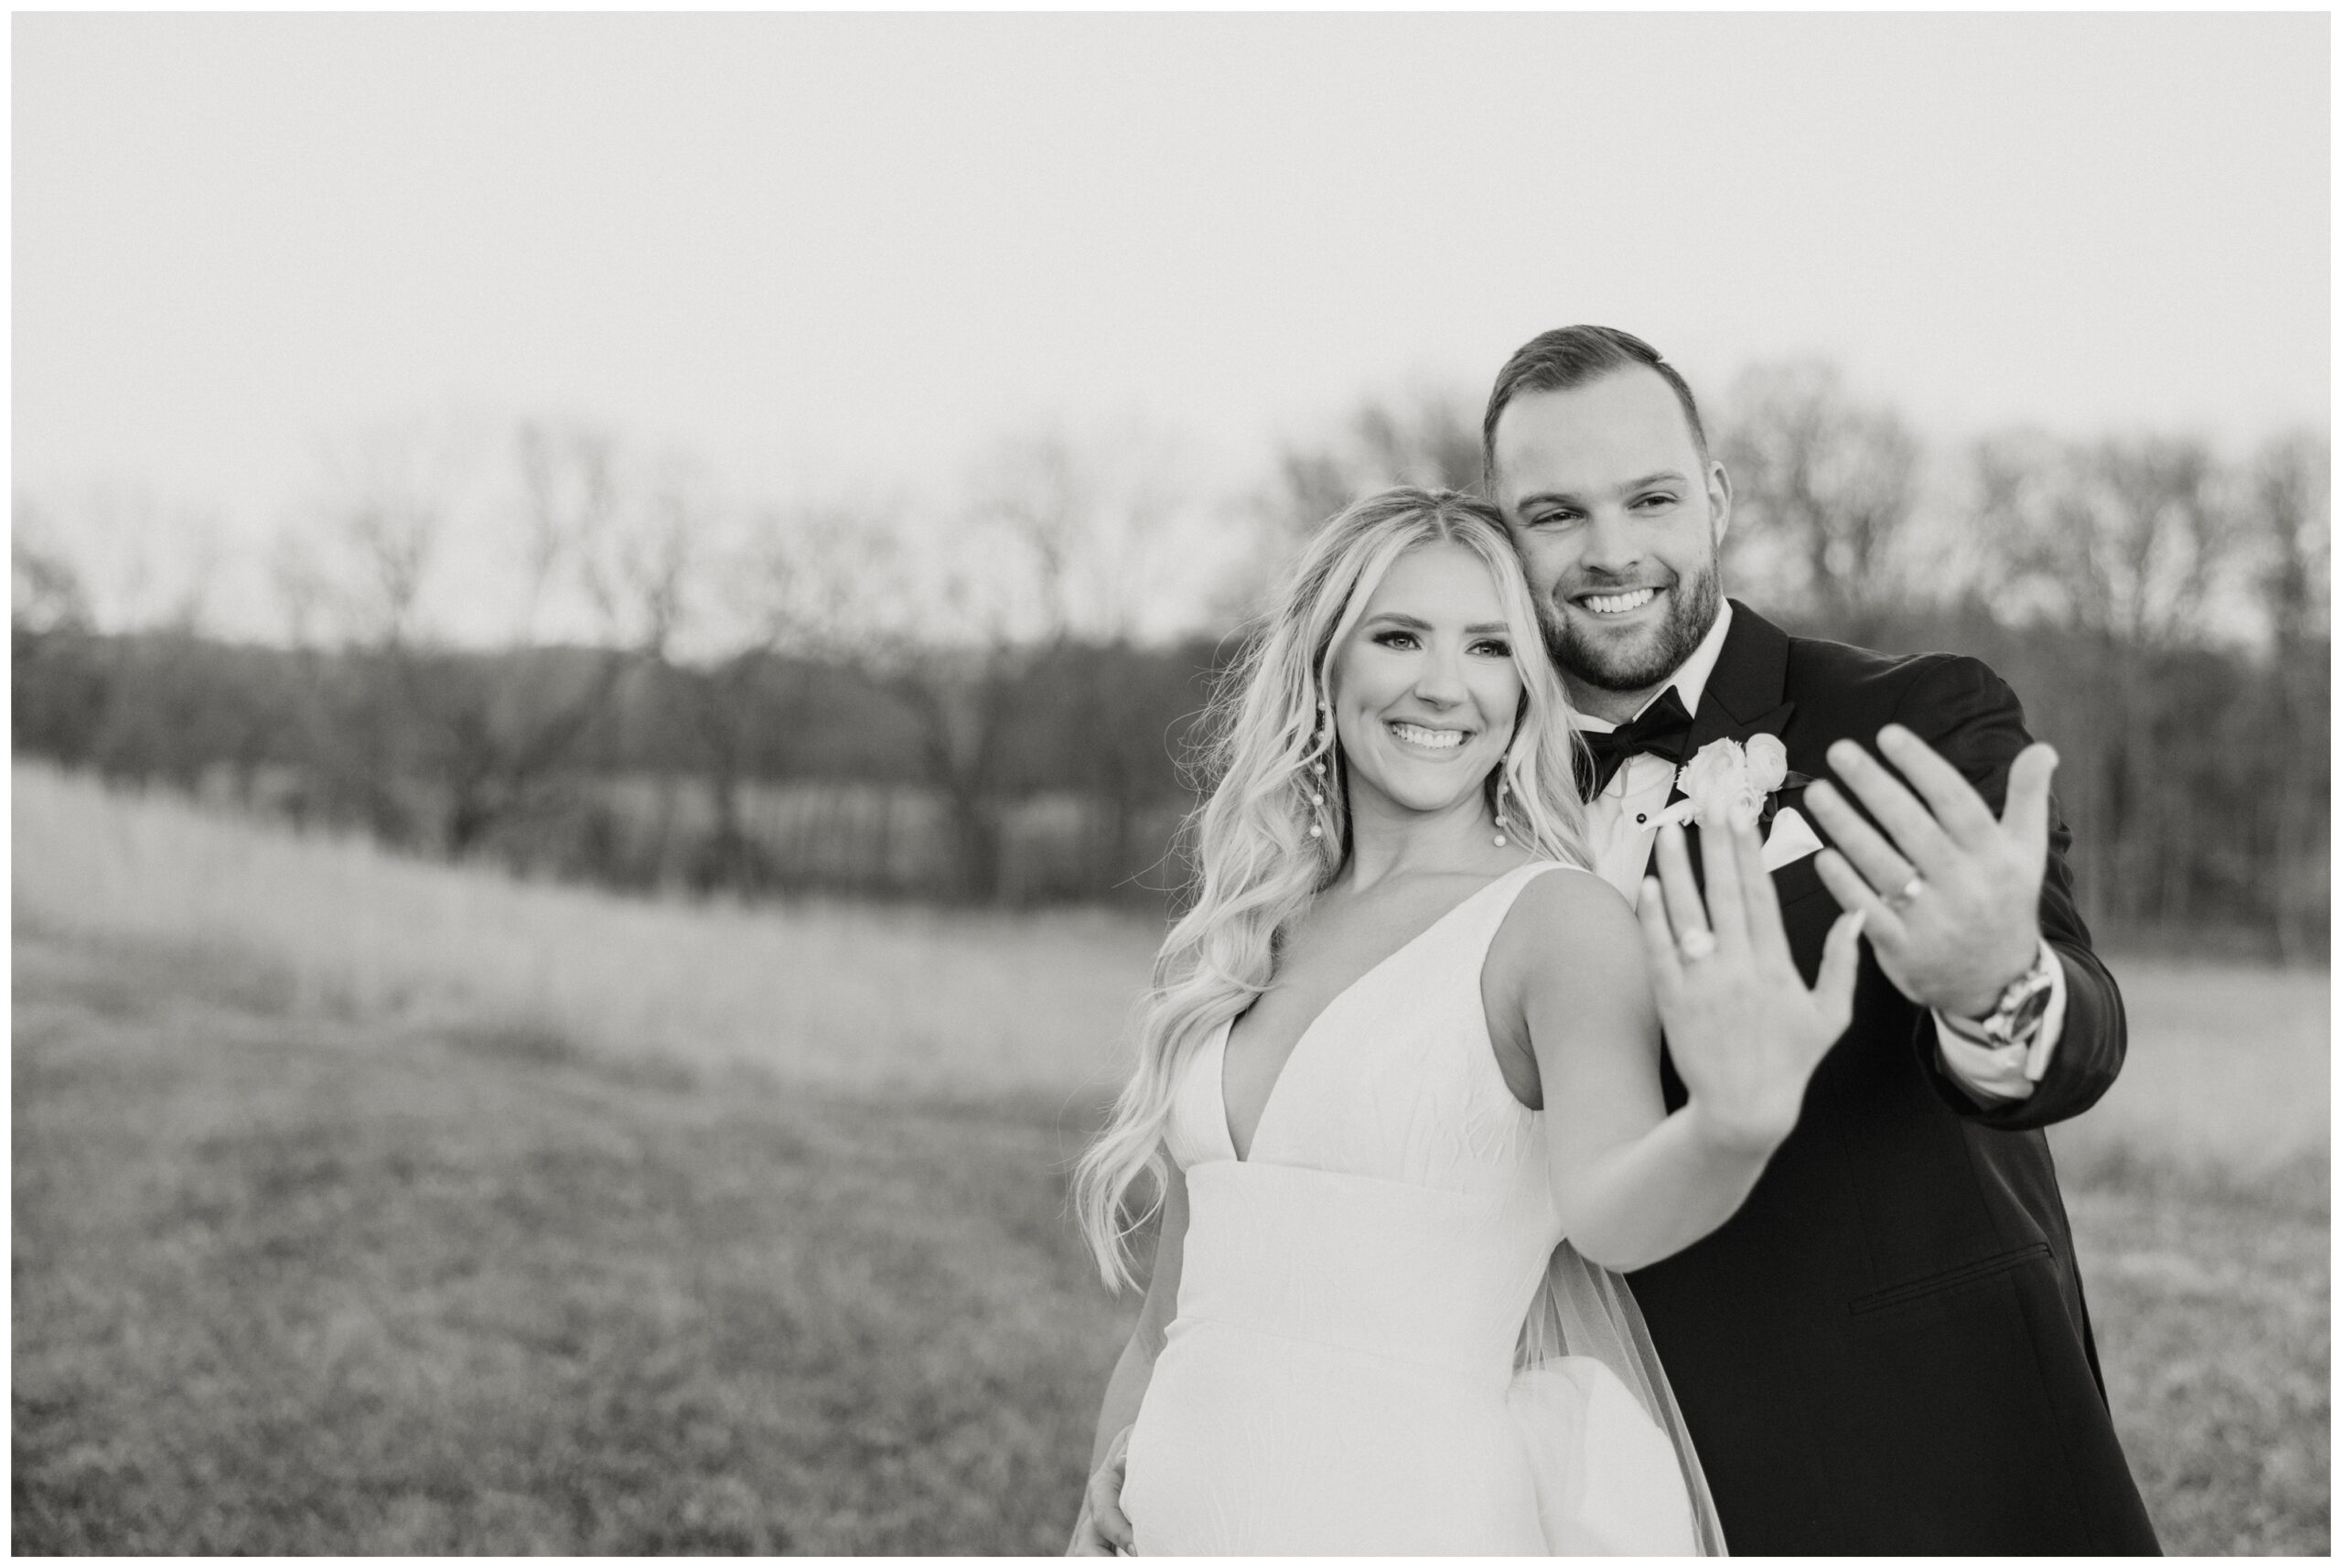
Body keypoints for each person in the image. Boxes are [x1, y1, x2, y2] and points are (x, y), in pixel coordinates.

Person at [1065, 488, 1864, 1554]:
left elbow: (1611, 1212)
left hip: (1404, 1514)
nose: (1444, 686)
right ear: (1324, 662)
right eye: (1399, 636)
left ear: (1527, 690)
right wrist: (1104, 1477)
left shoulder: (1554, 924)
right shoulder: (1247, 936)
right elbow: (1167, 1318)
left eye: (1489, 648)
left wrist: (1733, 1126)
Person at [1479, 325, 2161, 1553]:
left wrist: (1994, 983)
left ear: (1719, 499)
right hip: (1592, 1468)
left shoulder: (1912, 719)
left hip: (1923, 1448)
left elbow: (2079, 1029)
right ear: (1502, 533)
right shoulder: (1470, 802)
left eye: (1649, 497)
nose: (1611, 549)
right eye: (1555, 514)